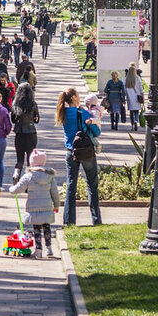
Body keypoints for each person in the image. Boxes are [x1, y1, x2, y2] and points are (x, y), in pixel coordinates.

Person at [57, 88, 102, 226]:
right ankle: (96, 219)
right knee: (92, 184)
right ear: (74, 98)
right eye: (78, 95)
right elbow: (96, 132)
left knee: (71, 184)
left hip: (71, 151)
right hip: (86, 150)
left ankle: (69, 220)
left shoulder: (62, 113)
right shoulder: (82, 113)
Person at [9, 149, 59, 259]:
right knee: (47, 227)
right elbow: (54, 192)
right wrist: (56, 205)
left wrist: (11, 189)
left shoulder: (29, 176)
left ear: (31, 162)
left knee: (36, 229)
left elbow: (19, 188)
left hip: (33, 207)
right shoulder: (49, 176)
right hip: (46, 206)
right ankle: (49, 248)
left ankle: (39, 250)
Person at [10, 81, 40, 182]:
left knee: (20, 159)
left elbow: (13, 120)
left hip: (19, 133)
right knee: (30, 159)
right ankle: (28, 181)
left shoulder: (15, 104)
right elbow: (37, 120)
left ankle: (16, 174)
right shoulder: (33, 104)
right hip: (31, 133)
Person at [124, 63, 144, 132]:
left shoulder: (126, 79)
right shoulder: (137, 78)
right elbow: (141, 87)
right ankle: (136, 120)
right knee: (136, 111)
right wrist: (142, 95)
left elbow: (124, 88)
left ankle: (132, 124)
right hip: (137, 96)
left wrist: (124, 96)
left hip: (130, 97)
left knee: (131, 111)